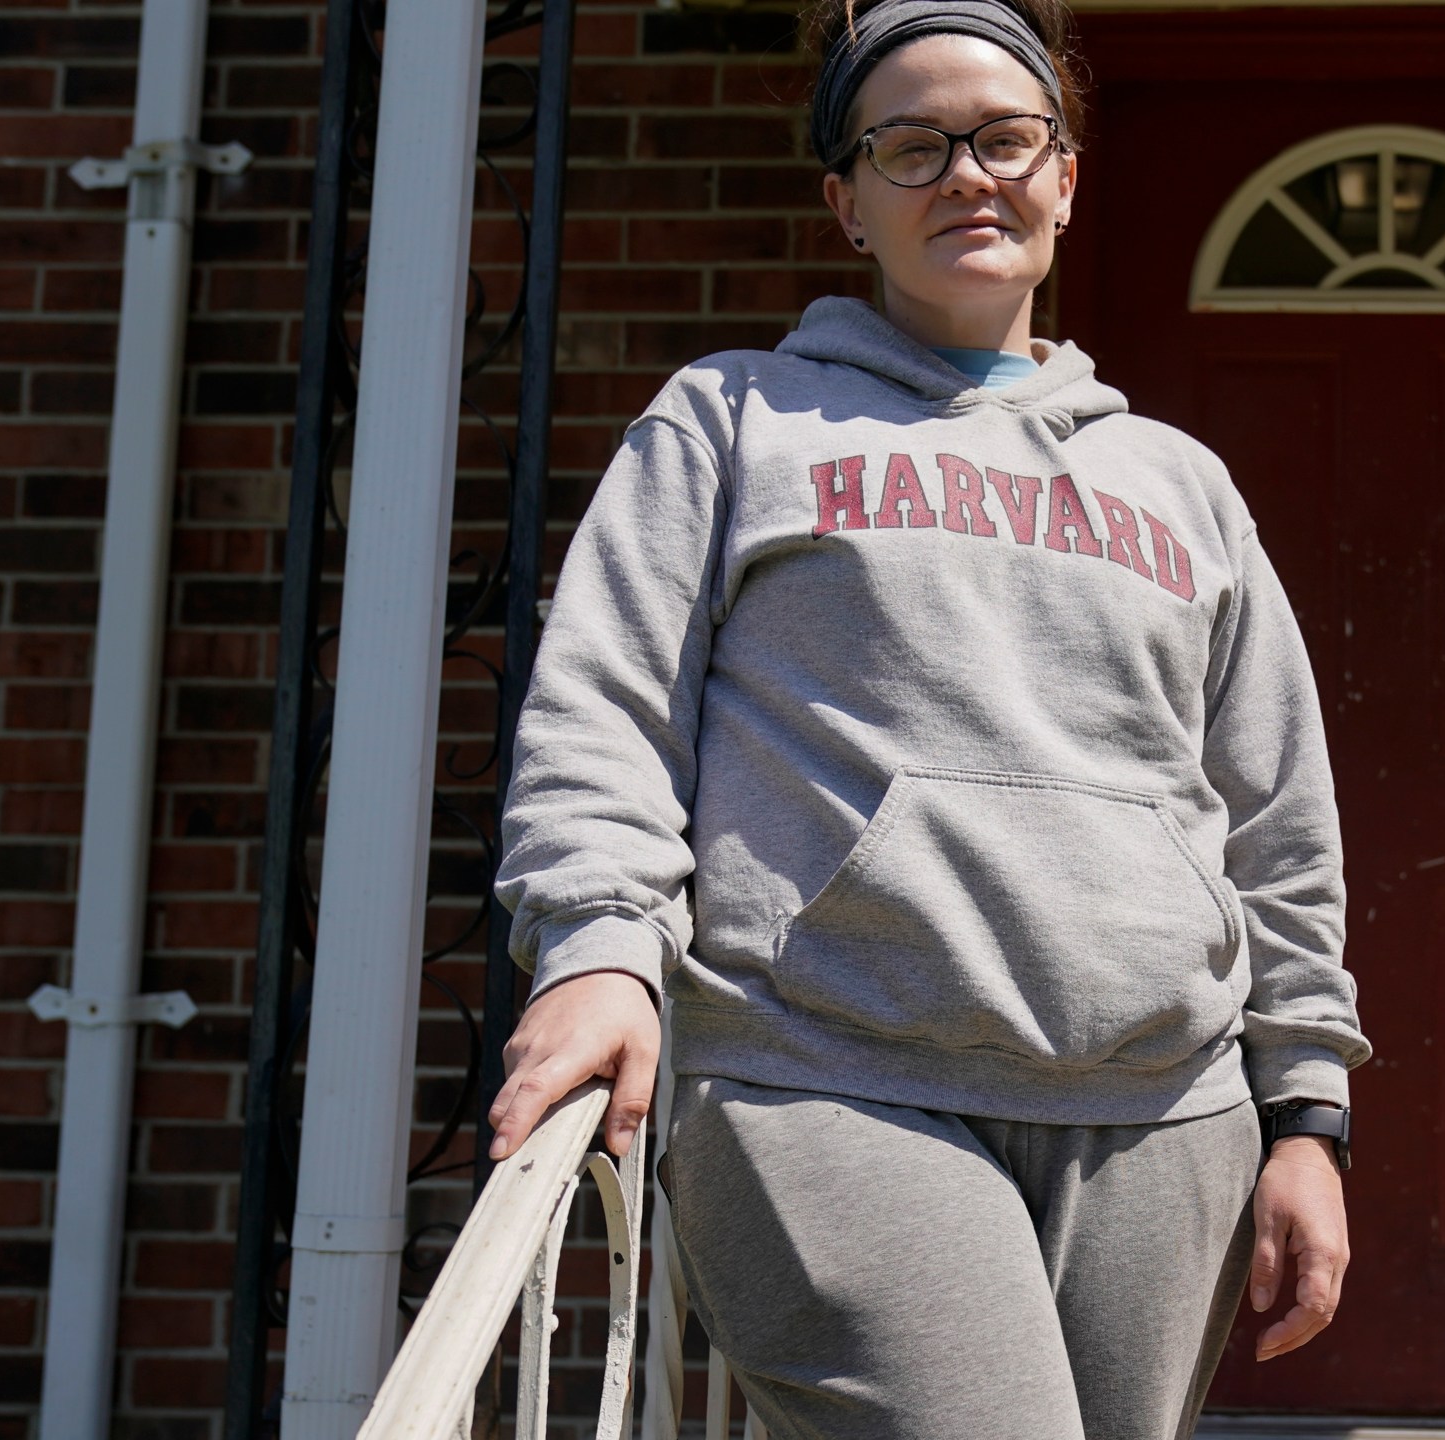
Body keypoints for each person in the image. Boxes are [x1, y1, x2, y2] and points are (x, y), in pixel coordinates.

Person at [482, 0, 1370, 1435]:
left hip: (1164, 1115)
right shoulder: (734, 423)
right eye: (912, 146)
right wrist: (599, 949)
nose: (969, 172)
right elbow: (605, 712)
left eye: (1008, 137)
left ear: (1065, 180)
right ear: (846, 201)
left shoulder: (1179, 482)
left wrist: (1306, 1111)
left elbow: (1275, 813)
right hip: (830, 1080)